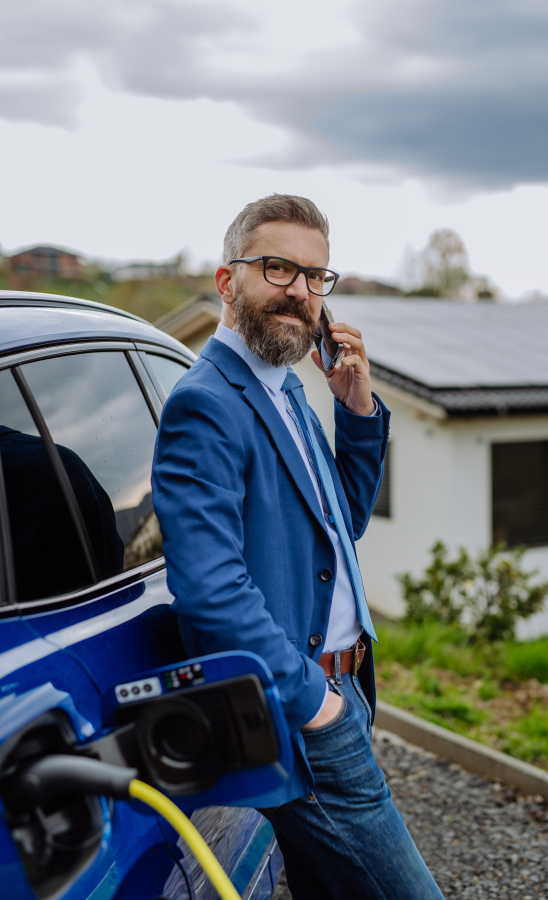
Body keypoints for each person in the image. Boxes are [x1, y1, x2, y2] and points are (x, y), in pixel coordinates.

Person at [152, 194, 444, 900]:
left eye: (317, 277)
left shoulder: (287, 391)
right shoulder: (208, 403)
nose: (301, 293)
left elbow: (341, 521)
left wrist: (357, 408)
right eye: (279, 268)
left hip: (345, 689)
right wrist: (316, 701)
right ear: (228, 282)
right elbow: (211, 590)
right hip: (302, 708)